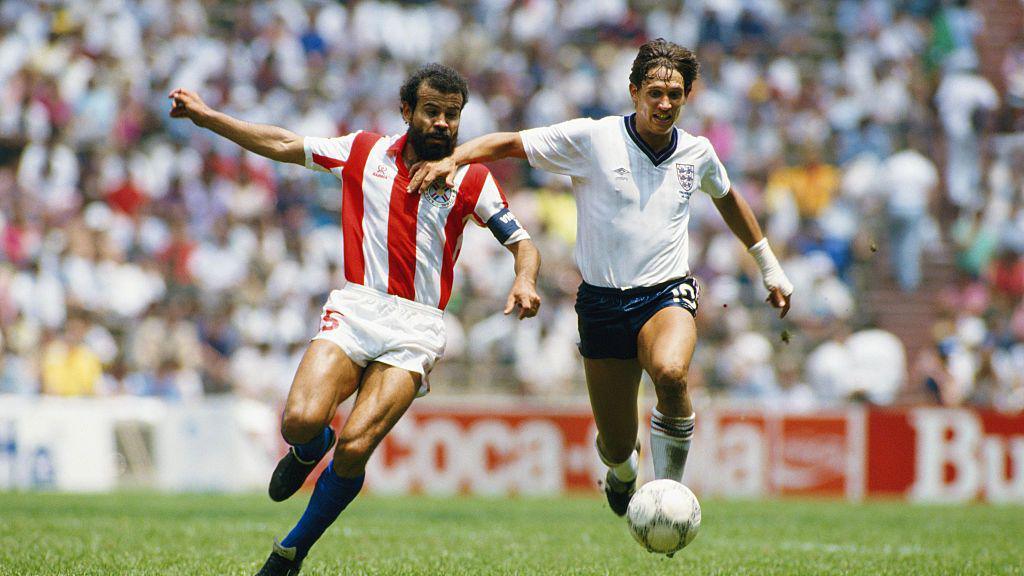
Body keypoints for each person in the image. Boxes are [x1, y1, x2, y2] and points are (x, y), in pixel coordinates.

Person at [169, 63, 541, 576]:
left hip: (418, 326)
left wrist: (524, 278)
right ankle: (308, 448)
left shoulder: (472, 178)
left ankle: (291, 551)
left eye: (452, 116)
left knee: (356, 445)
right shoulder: (364, 151)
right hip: (357, 307)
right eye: (431, 112)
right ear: (406, 111)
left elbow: (521, 242)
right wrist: (210, 118)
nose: (442, 124)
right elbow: (284, 143)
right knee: (299, 420)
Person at [408, 39, 793, 518]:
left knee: (672, 375)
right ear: (634, 92)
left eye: (675, 95)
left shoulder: (698, 152)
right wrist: (453, 160)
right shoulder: (594, 139)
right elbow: (511, 142)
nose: (665, 104)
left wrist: (769, 266)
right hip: (602, 304)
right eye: (655, 93)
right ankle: (623, 473)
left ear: (687, 97)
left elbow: (729, 198)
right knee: (615, 445)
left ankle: (666, 497)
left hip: (665, 294)